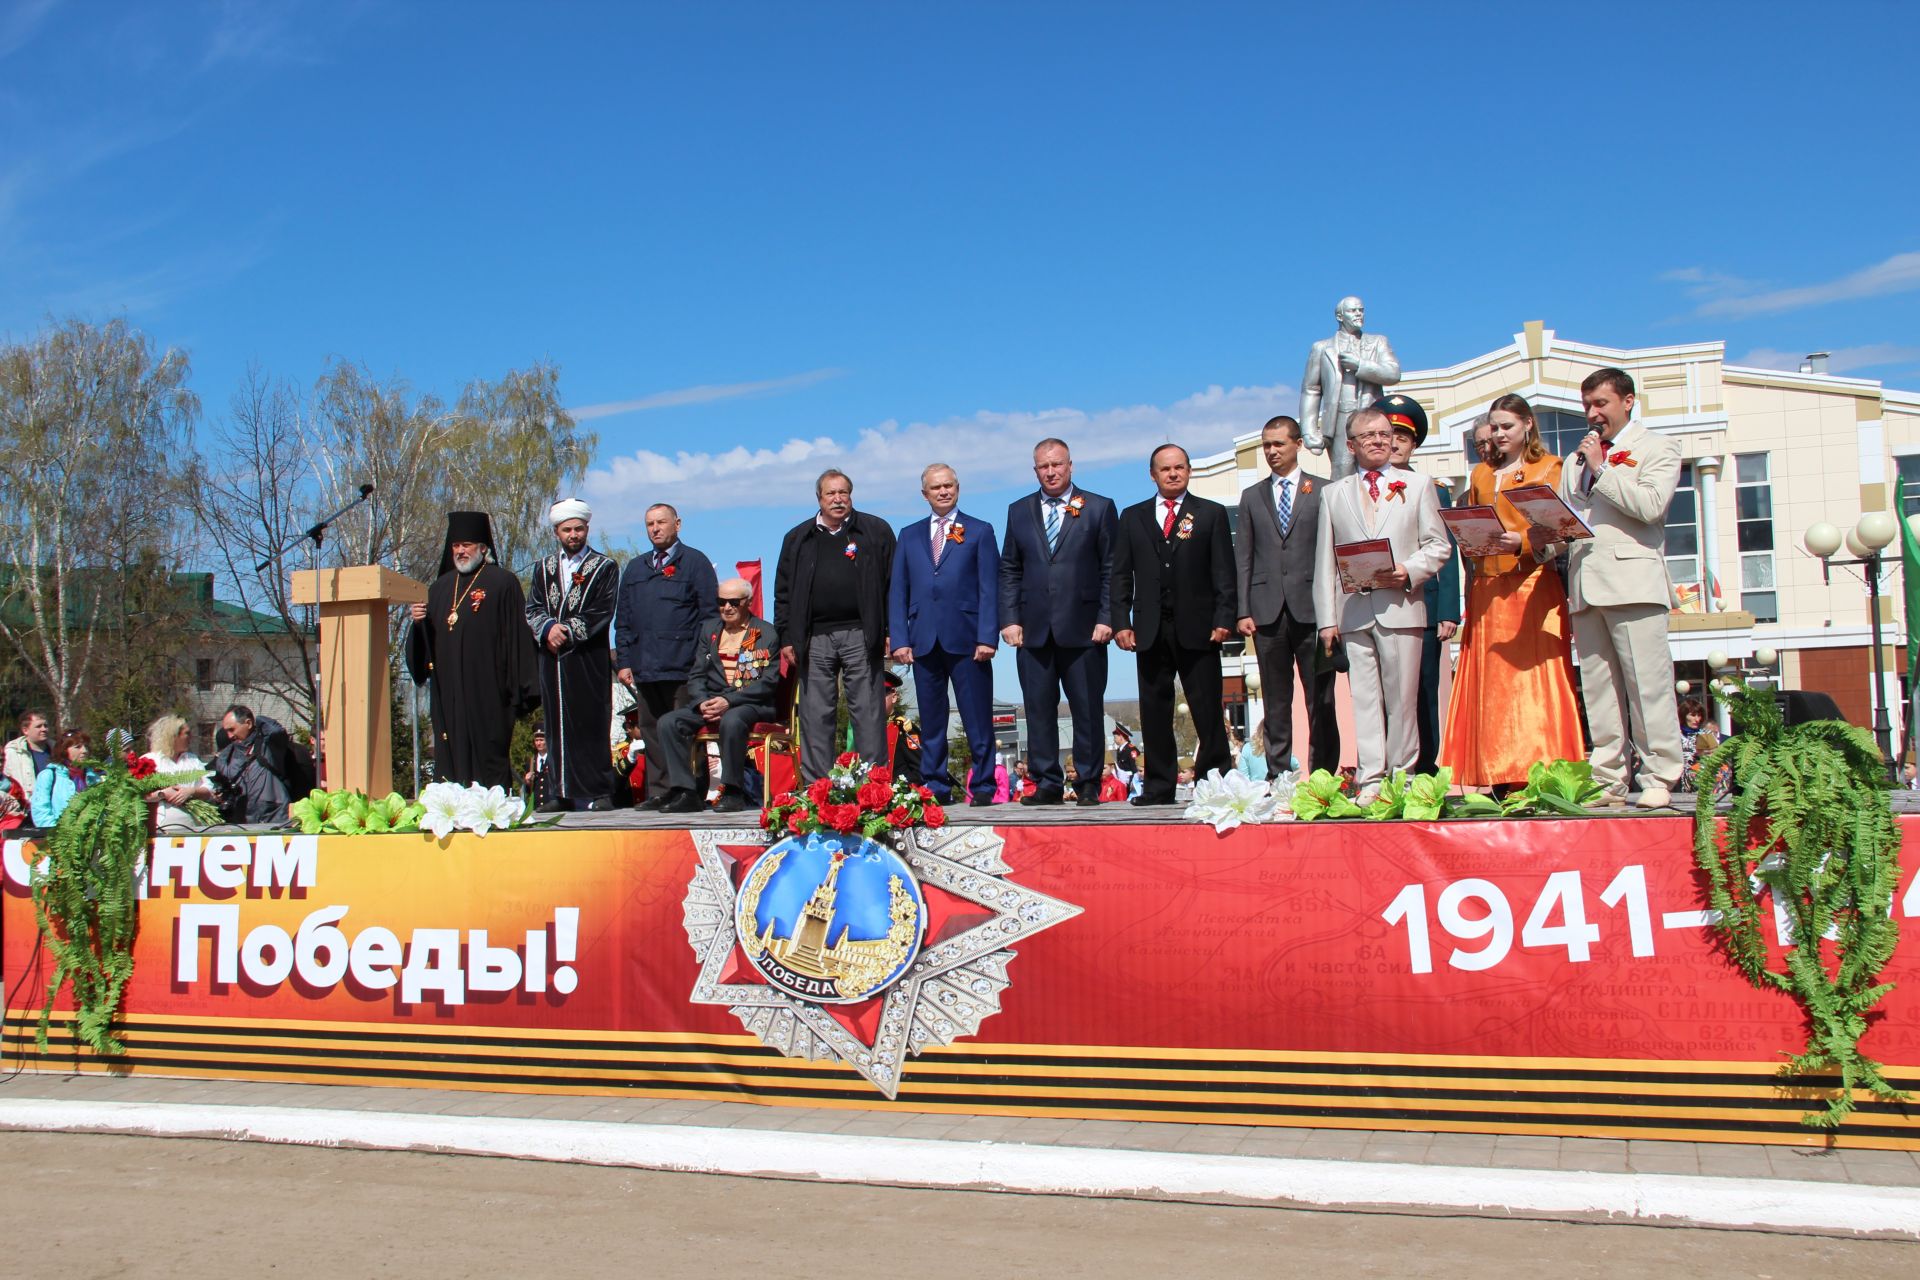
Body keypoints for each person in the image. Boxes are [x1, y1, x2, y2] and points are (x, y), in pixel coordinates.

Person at [1549, 368, 1685, 808]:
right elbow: (1573, 518)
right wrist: (1546, 531)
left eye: (1601, 404)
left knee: (1648, 686)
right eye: (1586, 405)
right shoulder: (1574, 461)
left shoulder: (1657, 447)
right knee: (1600, 689)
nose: (1592, 414)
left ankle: (1660, 774)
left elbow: (1649, 507)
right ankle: (1608, 778)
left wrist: (1601, 468)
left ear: (1628, 401)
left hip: (1634, 582)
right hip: (1586, 583)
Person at [1438, 395, 1585, 790]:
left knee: (1533, 677)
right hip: (1486, 587)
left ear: (1527, 426)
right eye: (1495, 427)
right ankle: (1495, 769)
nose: (1500, 434)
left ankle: (1542, 765)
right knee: (1493, 683)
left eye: (1507, 426)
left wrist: (1518, 541)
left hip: (1532, 583)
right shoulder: (1482, 475)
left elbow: (1561, 529)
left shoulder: (1550, 468)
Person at [1313, 407, 1452, 803]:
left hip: (1402, 606)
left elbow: (1439, 545)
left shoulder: (1419, 484)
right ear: (1352, 445)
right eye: (1368, 435)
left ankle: (1403, 777)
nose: (1378, 440)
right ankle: (1370, 779)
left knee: (1403, 698)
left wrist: (1409, 570)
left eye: (1384, 433)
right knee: (1366, 699)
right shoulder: (1333, 494)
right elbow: (1325, 561)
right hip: (1353, 612)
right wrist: (1327, 620)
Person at [1114, 443, 1235, 805]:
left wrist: (1224, 617)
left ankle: (1217, 781)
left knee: (1207, 707)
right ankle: (1158, 786)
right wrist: (1121, 621)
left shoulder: (1210, 514)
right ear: (1152, 474)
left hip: (1199, 626)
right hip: (1150, 628)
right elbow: (1120, 574)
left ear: (1189, 471)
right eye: (1165, 469)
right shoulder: (1132, 516)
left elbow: (1224, 572)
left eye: (1179, 467)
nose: (1172, 474)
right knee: (1154, 709)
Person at [999, 438, 1117, 806]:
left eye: (1057, 465)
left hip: (1084, 630)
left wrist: (1106, 617)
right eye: (1043, 467)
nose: (1050, 472)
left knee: (1086, 710)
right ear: (1035, 470)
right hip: (1032, 631)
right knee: (1037, 711)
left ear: (1070, 466)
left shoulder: (1099, 507)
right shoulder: (1019, 511)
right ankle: (1046, 782)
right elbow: (1010, 568)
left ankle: (1087, 783)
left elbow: (1112, 568)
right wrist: (1009, 618)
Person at [888, 463, 1001, 805]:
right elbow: (898, 591)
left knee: (977, 716)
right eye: (936, 487)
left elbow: (989, 588)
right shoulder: (908, 535)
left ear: (958, 488)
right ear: (925, 494)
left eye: (949, 485)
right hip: (923, 639)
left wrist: (987, 636)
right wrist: (901, 638)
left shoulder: (980, 530)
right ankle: (935, 785)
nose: (943, 491)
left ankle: (982, 786)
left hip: (968, 639)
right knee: (932, 719)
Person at [775, 470, 898, 780]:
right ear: (819, 498)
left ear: (851, 495)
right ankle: (818, 789)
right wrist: (787, 637)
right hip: (813, 637)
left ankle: (874, 786)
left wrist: (890, 631)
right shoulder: (797, 538)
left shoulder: (875, 530)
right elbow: (783, 593)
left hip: (862, 633)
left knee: (869, 713)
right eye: (831, 493)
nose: (838, 499)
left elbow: (893, 585)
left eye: (844, 492)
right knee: (816, 714)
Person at [404, 511, 541, 788]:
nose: (460, 551)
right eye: (456, 546)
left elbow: (517, 637)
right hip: (449, 693)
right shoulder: (440, 588)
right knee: (450, 752)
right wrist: (418, 624)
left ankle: (491, 809)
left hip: (489, 691)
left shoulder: (502, 582)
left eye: (466, 545)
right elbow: (426, 648)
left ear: (482, 547)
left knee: (487, 753)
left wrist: (521, 688)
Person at [1236, 415, 1340, 777]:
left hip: (1315, 610)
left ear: (1298, 444)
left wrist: (1335, 610)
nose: (1271, 451)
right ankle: (1278, 775)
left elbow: (1334, 552)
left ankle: (1324, 773)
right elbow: (1244, 558)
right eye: (1266, 445)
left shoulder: (1324, 490)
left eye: (1278, 444)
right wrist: (1243, 609)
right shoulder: (1251, 497)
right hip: (1267, 613)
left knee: (1320, 698)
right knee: (1276, 701)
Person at [614, 503, 719, 807]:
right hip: (645, 666)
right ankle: (660, 792)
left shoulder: (695, 563)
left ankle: (688, 791)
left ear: (678, 524)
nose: (655, 528)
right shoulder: (636, 568)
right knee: (651, 731)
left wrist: (702, 662)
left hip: (683, 666)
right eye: (650, 524)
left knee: (680, 730)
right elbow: (624, 619)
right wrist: (624, 662)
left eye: (661, 522)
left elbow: (709, 617)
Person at [1382, 396, 1462, 775]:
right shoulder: (1362, 489)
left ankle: (1427, 773)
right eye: (1388, 434)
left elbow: (1446, 551)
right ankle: (1389, 771)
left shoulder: (1433, 488)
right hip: (1379, 606)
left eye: (1402, 436)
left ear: (1414, 444)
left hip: (1424, 606)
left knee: (1423, 693)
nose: (1394, 443)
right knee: (1384, 695)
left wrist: (1447, 609)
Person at [655, 577, 783, 813]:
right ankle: (686, 790)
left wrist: (729, 701)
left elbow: (767, 683)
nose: (727, 608)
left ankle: (734, 791)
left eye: (734, 602)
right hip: (712, 702)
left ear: (748, 602)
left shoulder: (766, 633)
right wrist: (702, 701)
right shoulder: (709, 630)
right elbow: (696, 675)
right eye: (721, 602)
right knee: (669, 722)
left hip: (750, 703)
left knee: (732, 719)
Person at [527, 498, 619, 810]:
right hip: (551, 660)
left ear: (587, 529)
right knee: (556, 725)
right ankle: (560, 792)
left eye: (579, 529)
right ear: (557, 532)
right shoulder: (543, 568)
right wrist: (547, 628)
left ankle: (599, 790)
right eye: (567, 530)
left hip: (586, 656)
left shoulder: (605, 567)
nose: (573, 535)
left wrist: (565, 631)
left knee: (591, 721)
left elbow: (602, 609)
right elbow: (533, 607)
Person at [1298, 296, 1402, 482]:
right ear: (1340, 315)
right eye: (1353, 311)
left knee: (1377, 469)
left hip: (1371, 418)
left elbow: (1393, 374)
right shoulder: (1322, 348)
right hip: (1340, 419)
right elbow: (1311, 390)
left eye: (1361, 310)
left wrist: (1360, 365)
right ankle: (1341, 510)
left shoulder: (1378, 342)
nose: (1358, 314)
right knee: (1342, 472)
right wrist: (1308, 430)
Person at [212, 704, 309, 825]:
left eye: (232, 729)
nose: (229, 736)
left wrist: (258, 719)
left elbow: (277, 731)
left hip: (275, 819)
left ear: (248, 723)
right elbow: (222, 784)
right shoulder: (227, 756)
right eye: (226, 731)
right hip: (244, 823)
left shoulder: (269, 746)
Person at [143, 714, 214, 832]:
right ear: (173, 736)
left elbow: (209, 789)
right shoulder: (150, 760)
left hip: (193, 827)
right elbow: (137, 794)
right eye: (187, 734)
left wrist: (191, 791)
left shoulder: (192, 759)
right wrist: (163, 793)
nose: (191, 737)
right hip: (161, 828)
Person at [31, 730, 99, 827]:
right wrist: (56, 834)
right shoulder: (49, 775)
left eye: (86, 746)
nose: (84, 751)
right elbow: (40, 811)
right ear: (64, 750)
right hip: (59, 838)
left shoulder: (94, 778)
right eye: (78, 747)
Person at [882, 670, 923, 785]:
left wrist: (899, 787)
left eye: (882, 693)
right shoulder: (866, 729)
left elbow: (919, 770)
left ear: (894, 697)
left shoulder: (904, 728)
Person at [3, 709, 51, 801]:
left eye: (45, 725)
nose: (44, 729)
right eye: (38, 726)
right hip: (27, 807)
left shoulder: (57, 750)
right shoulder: (14, 752)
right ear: (25, 730)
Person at [523, 729, 554, 810]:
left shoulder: (554, 760)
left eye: (541, 740)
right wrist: (527, 782)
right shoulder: (531, 762)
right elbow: (528, 790)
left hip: (550, 806)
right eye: (536, 740)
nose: (538, 743)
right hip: (535, 807)